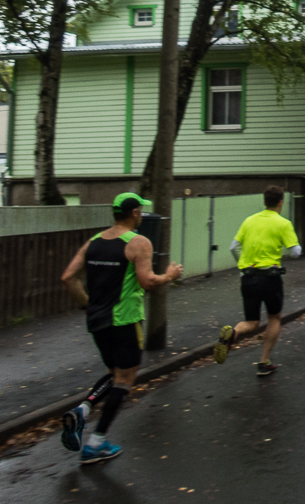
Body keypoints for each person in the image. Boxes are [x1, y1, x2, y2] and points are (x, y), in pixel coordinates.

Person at [60, 193, 184, 464]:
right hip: (125, 320)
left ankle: (83, 410)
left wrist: (87, 306)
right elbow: (147, 282)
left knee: (114, 372)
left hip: (97, 322)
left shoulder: (94, 242)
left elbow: (68, 278)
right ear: (135, 213)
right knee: (125, 379)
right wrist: (170, 276)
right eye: (140, 211)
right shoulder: (138, 242)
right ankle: (96, 444)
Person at [213, 185, 302, 376]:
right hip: (271, 278)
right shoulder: (283, 223)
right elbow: (295, 252)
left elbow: (233, 247)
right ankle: (264, 362)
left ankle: (232, 335)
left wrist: (243, 267)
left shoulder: (249, 221)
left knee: (251, 322)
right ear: (281, 202)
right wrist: (292, 245)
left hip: (249, 278)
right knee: (274, 318)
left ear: (264, 202)